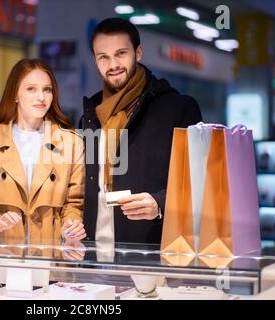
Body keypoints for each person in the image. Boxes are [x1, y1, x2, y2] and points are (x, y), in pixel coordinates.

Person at [81, 18, 202, 244]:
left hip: (152, 250)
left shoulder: (178, 108)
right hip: (94, 251)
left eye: (121, 53)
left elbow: (198, 180)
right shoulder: (89, 116)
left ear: (138, 53)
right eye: (103, 57)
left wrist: (160, 204)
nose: (113, 64)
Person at [0, 58, 86, 244]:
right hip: (3, 254)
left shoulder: (72, 142)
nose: (41, 97)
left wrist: (71, 225)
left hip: (51, 256)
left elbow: (74, 202)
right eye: (31, 89)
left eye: (47, 89)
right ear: (15, 94)